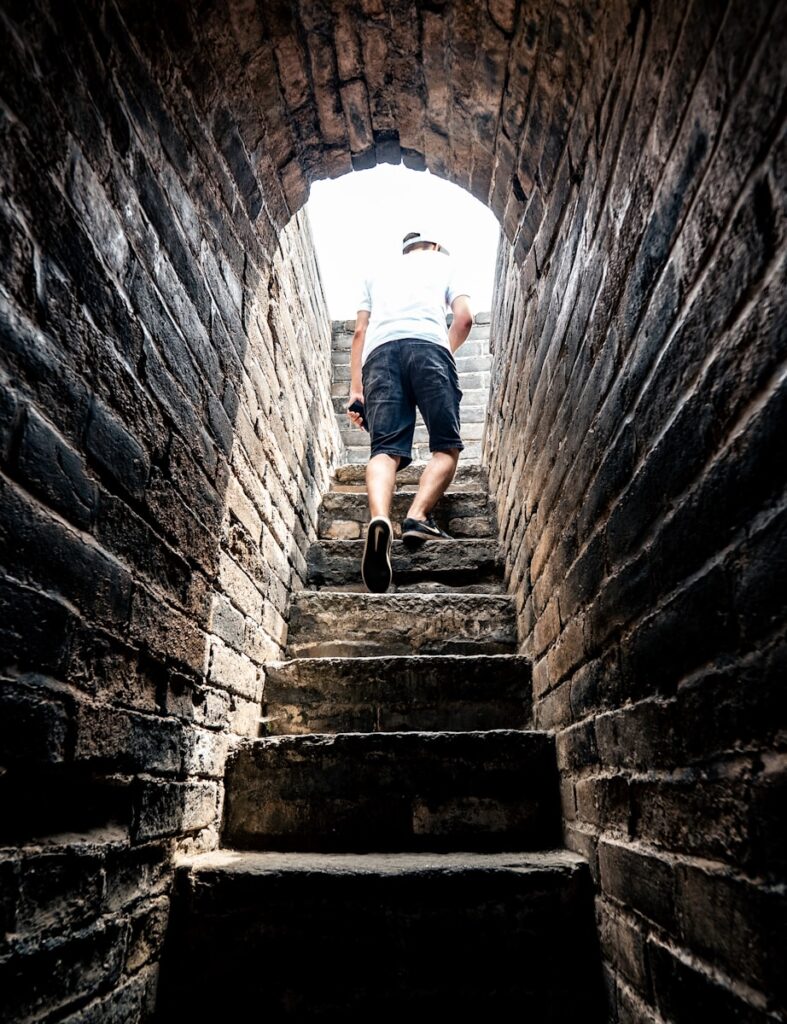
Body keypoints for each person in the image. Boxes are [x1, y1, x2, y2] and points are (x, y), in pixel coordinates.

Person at [347, 228, 475, 593]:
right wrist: (443, 352)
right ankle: (418, 517)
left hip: (380, 355)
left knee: (384, 450)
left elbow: (359, 331)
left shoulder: (375, 271)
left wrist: (357, 391)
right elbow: (464, 319)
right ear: (435, 245)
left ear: (404, 248)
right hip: (429, 347)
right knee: (445, 447)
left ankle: (380, 519)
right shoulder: (445, 264)